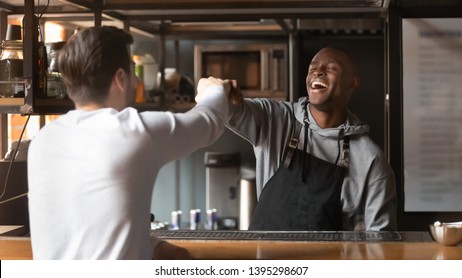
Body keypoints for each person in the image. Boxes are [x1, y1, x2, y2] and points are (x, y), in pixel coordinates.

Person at [27, 26, 231, 259]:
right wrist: (214, 89)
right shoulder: (134, 132)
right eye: (133, 72)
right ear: (120, 78)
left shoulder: (42, 141)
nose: (136, 80)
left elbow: (85, 226)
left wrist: (153, 245)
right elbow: (209, 122)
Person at [225, 47, 397, 231]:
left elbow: (380, 244)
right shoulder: (274, 119)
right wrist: (219, 89)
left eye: (331, 68)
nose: (318, 71)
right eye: (312, 68)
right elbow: (222, 107)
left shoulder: (370, 161)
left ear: (352, 84)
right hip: (266, 258)